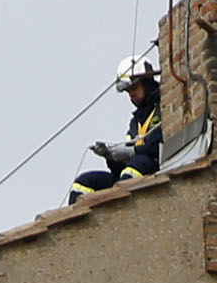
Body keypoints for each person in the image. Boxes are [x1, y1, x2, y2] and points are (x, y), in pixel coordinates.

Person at [69, 55, 164, 204]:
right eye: (128, 91)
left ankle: (121, 212)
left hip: (154, 168)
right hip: (129, 174)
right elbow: (120, 168)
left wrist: (131, 152)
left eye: (134, 87)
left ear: (147, 82)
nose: (131, 94)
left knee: (134, 167)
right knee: (84, 182)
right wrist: (111, 156)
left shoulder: (163, 106)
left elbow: (158, 145)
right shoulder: (135, 121)